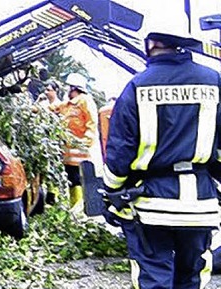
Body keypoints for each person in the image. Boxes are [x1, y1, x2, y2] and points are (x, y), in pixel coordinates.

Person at [102, 13, 220, 288]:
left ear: (151, 43)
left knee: (154, 277)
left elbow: (120, 153)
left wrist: (112, 193)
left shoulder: (137, 86)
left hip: (152, 205)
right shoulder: (214, 82)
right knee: (192, 277)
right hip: (200, 205)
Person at [51, 73, 102, 213]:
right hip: (68, 151)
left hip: (79, 150)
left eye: (69, 87)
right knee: (70, 177)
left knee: (76, 178)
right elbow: (55, 107)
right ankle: (74, 206)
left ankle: (78, 208)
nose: (67, 90)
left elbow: (92, 123)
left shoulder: (85, 101)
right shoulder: (67, 104)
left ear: (74, 88)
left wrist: (85, 142)